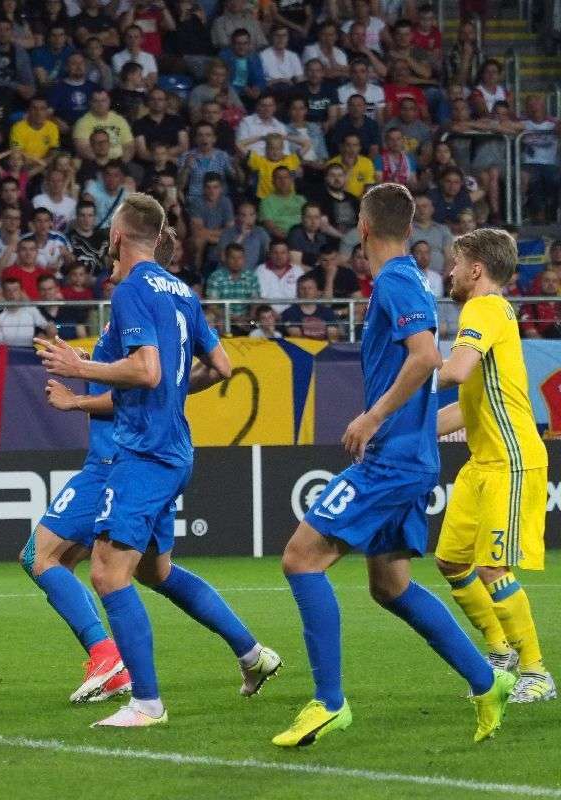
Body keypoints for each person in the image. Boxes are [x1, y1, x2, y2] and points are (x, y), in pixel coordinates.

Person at [271, 183, 513, 748]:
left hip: (393, 458)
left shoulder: (397, 279)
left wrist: (373, 416)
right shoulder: (407, 281)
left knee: (300, 559)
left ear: (364, 226)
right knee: (391, 585)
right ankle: (487, 680)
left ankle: (329, 703)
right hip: (411, 457)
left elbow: (427, 355)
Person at [35, 195, 280, 727]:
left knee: (105, 573)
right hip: (171, 448)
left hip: (141, 453)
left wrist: (81, 369)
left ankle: (145, 700)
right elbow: (222, 365)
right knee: (154, 569)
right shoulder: (181, 293)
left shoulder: (129, 291)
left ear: (119, 237)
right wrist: (169, 389)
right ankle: (251, 654)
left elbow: (146, 371)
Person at [434, 228, 555, 704]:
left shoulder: (483, 308)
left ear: (476, 269)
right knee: (451, 561)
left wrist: (406, 381)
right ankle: (500, 652)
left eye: (455, 263)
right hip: (482, 463)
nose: (450, 271)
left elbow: (454, 372)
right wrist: (402, 431)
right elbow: (468, 405)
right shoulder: (490, 315)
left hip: (511, 461)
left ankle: (537, 672)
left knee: (491, 568)